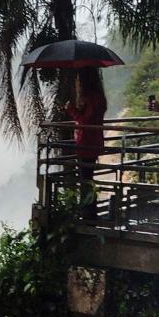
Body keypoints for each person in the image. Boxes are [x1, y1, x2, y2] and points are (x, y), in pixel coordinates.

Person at [64, 67, 108, 213]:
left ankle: (88, 213)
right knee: (88, 178)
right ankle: (89, 212)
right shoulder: (99, 97)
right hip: (94, 142)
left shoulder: (91, 98)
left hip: (86, 144)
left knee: (86, 180)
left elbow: (84, 122)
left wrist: (71, 110)